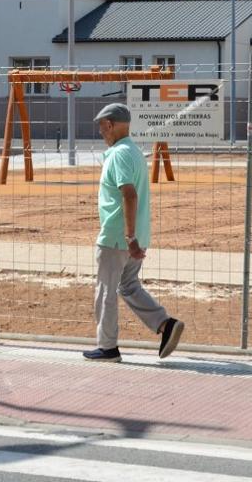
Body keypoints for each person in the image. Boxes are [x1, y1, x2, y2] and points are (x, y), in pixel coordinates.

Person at [83, 103, 185, 363]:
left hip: (118, 237)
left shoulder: (118, 154)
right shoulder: (135, 152)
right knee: (128, 286)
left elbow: (128, 194)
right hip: (134, 234)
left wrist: (129, 238)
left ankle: (107, 347)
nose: (100, 132)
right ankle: (165, 324)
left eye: (101, 127)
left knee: (106, 291)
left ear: (110, 124)